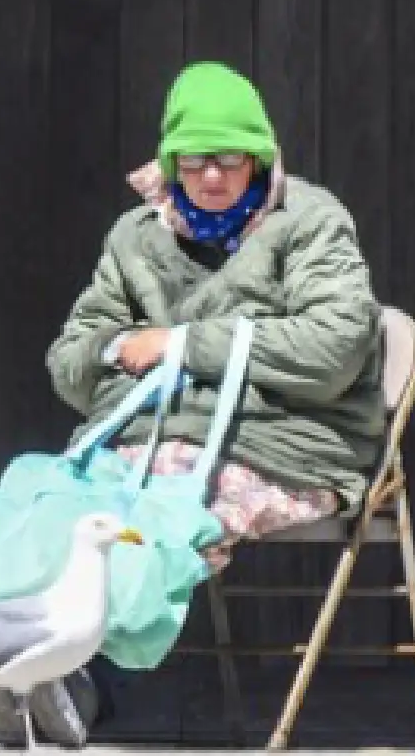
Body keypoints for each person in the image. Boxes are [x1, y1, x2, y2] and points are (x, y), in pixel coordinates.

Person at [46, 59, 388, 571]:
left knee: (150, 538)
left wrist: (179, 346)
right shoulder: (136, 237)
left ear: (256, 158)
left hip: (284, 445)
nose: (211, 175)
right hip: (150, 439)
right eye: (194, 158)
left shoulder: (310, 222)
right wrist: (120, 350)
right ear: (170, 162)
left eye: (229, 157)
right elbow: (72, 363)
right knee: (56, 523)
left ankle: (103, 647)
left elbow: (333, 349)